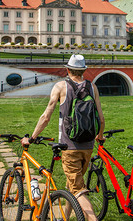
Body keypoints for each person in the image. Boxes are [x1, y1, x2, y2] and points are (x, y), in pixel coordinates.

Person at [21, 54, 105, 220]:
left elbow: (46, 116)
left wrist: (31, 138)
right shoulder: (92, 87)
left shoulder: (61, 86)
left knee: (78, 190)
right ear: (84, 70)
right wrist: (99, 136)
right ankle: (65, 217)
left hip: (69, 146)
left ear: (67, 69)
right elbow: (101, 118)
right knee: (72, 185)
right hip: (88, 145)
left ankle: (92, 219)